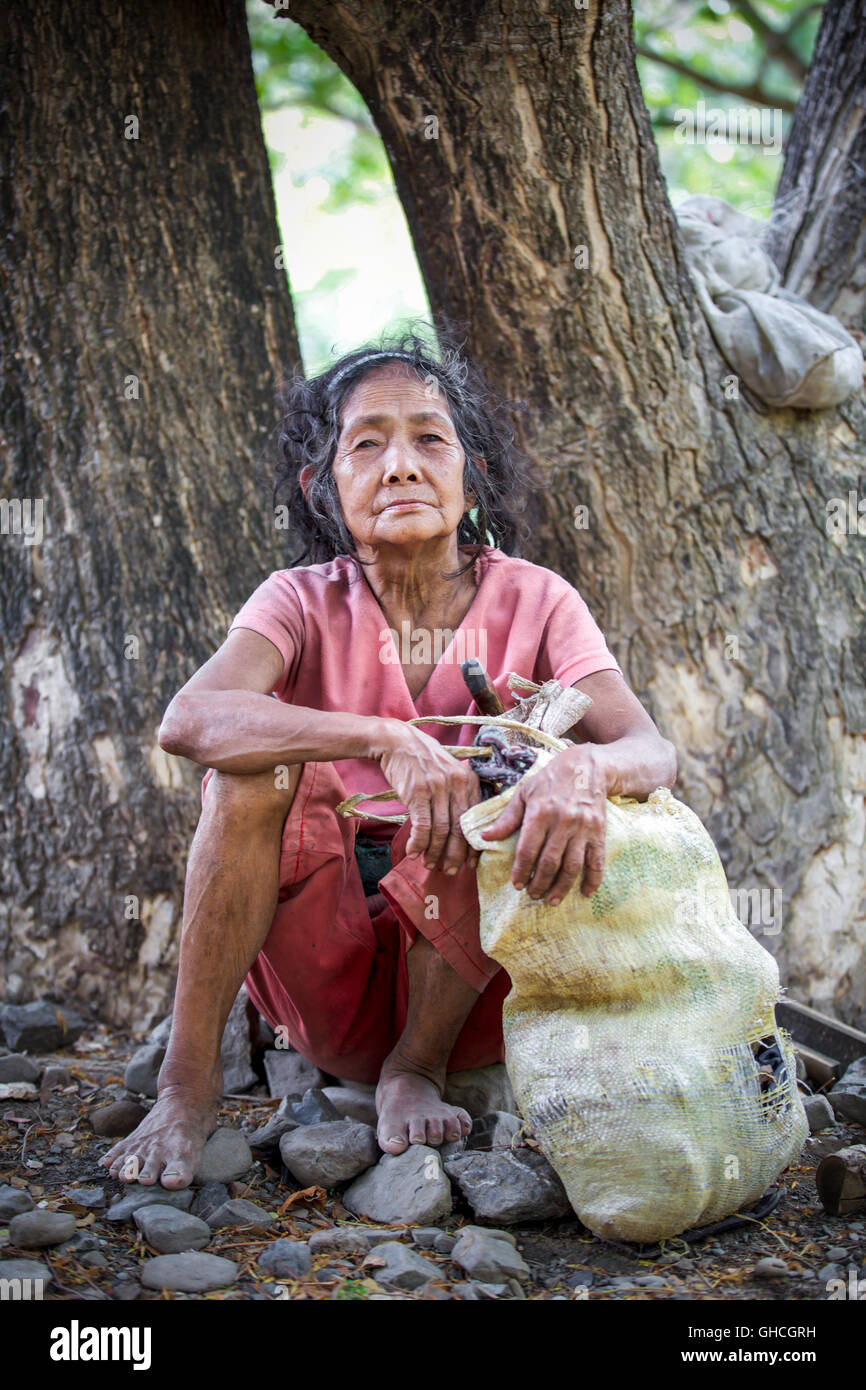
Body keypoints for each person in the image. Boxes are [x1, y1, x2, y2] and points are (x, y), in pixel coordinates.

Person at [102, 331, 677, 1189]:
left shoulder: (537, 598)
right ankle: (186, 1090)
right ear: (323, 488)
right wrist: (381, 737)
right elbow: (191, 720)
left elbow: (650, 748)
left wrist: (578, 771)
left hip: (474, 991)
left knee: (510, 777)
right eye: (365, 443)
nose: (400, 465)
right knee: (250, 770)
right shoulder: (297, 600)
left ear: (469, 473)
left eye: (429, 439)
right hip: (325, 980)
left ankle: (418, 1067)